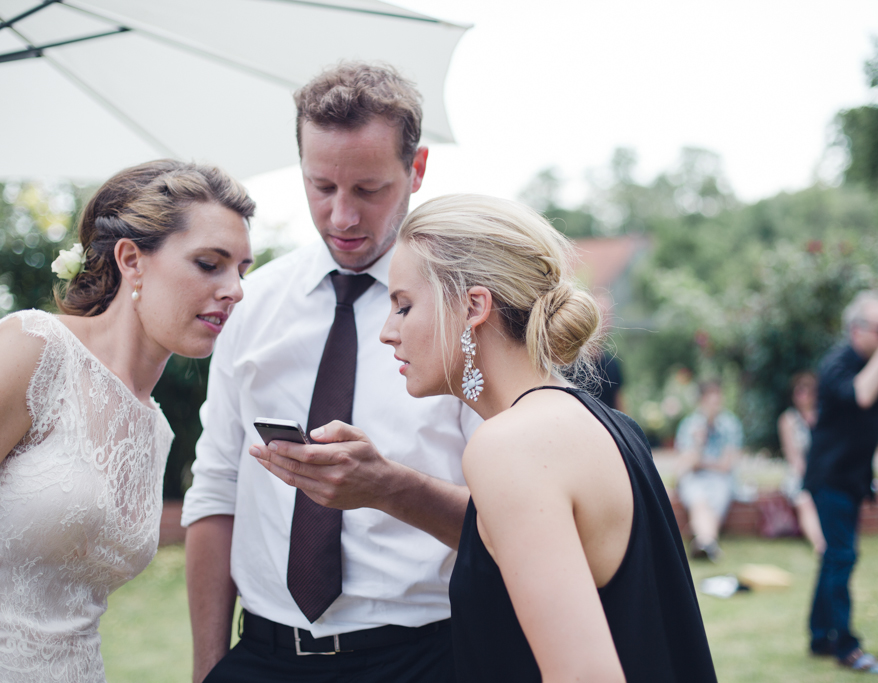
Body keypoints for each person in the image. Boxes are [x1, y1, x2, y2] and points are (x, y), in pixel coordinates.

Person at [276, 194, 719, 682]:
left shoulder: (510, 447)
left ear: (473, 307)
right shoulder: (609, 427)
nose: (387, 332)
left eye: (403, 306)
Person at [183, 63, 477, 683]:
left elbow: (512, 519)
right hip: (261, 656)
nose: (342, 217)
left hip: (423, 660)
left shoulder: (464, 317)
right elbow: (216, 489)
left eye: (369, 190)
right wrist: (210, 668)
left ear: (416, 170)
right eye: (321, 187)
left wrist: (390, 487)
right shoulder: (248, 304)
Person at [0, 159, 255, 682]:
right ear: (132, 258)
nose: (236, 290)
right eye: (209, 264)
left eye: (242, 270)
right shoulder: (33, 351)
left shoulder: (155, 428)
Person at [804, 291, 878, 675]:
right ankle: (845, 646)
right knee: (842, 557)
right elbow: (863, 396)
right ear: (857, 330)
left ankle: (820, 636)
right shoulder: (837, 365)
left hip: (850, 480)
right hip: (829, 479)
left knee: (834, 556)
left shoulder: (868, 362)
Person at [674, 380, 743, 561]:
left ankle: (703, 542)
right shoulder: (690, 425)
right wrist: (698, 443)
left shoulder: (730, 424)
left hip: (721, 478)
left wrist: (702, 463)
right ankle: (709, 543)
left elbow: (726, 465)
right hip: (695, 478)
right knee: (699, 500)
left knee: (715, 498)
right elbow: (687, 463)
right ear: (701, 400)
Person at [777, 372, 826, 554]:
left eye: (807, 391)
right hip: (799, 474)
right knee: (805, 499)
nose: (803, 396)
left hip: (823, 472)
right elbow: (793, 457)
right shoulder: (788, 420)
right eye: (799, 392)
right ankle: (819, 544)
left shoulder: (823, 417)